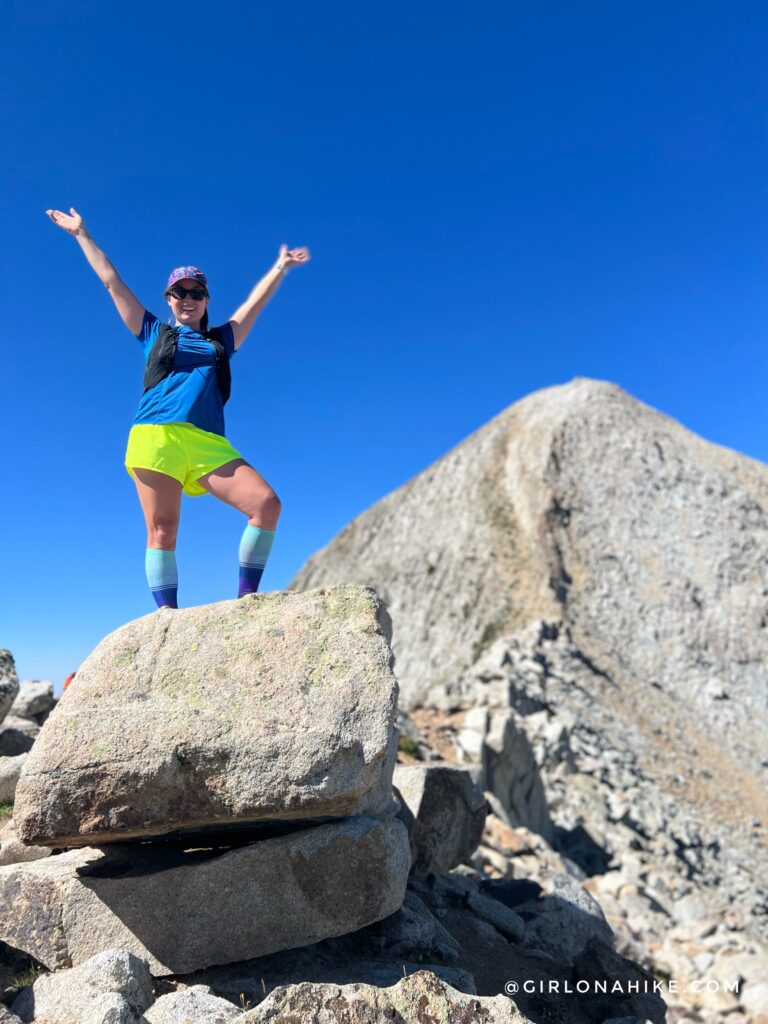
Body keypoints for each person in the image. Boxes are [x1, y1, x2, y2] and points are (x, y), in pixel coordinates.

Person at [46, 207, 310, 609]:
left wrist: (280, 267)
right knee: (163, 530)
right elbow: (111, 282)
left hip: (207, 442)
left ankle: (246, 602)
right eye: (179, 292)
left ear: (205, 300)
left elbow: (252, 306)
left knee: (266, 504)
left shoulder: (223, 339)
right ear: (169, 299)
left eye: (196, 292)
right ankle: (166, 617)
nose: (188, 298)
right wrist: (82, 233)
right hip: (155, 437)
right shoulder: (152, 331)